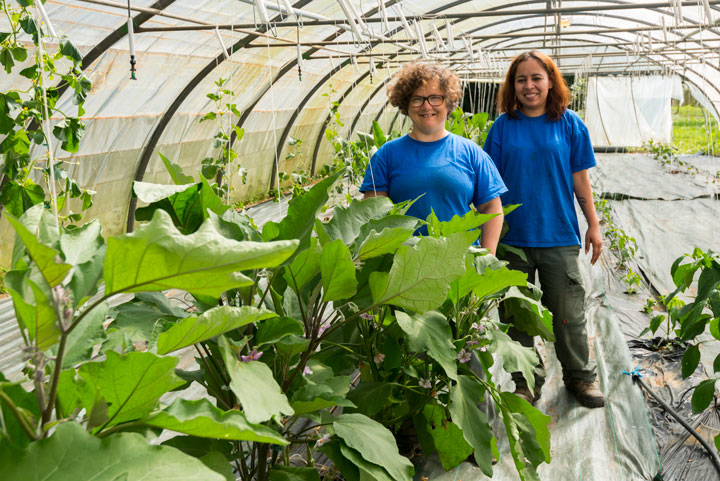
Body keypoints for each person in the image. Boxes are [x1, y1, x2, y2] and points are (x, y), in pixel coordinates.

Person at [483, 50, 605, 408]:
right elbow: (489, 186)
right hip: (513, 239)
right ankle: (526, 382)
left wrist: (593, 226)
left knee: (569, 314)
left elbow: (580, 181)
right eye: (521, 79)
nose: (529, 85)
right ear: (512, 86)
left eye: (537, 77)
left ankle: (580, 379)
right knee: (518, 317)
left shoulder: (569, 125)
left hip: (558, 235)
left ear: (551, 81)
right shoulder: (503, 128)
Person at [359, 62, 507, 255]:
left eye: (435, 98)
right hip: (403, 264)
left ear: (448, 102)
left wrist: (488, 257)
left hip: (460, 261)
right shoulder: (386, 155)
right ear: (406, 104)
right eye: (417, 99)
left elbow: (491, 208)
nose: (426, 105)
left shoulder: (471, 153)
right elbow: (373, 215)